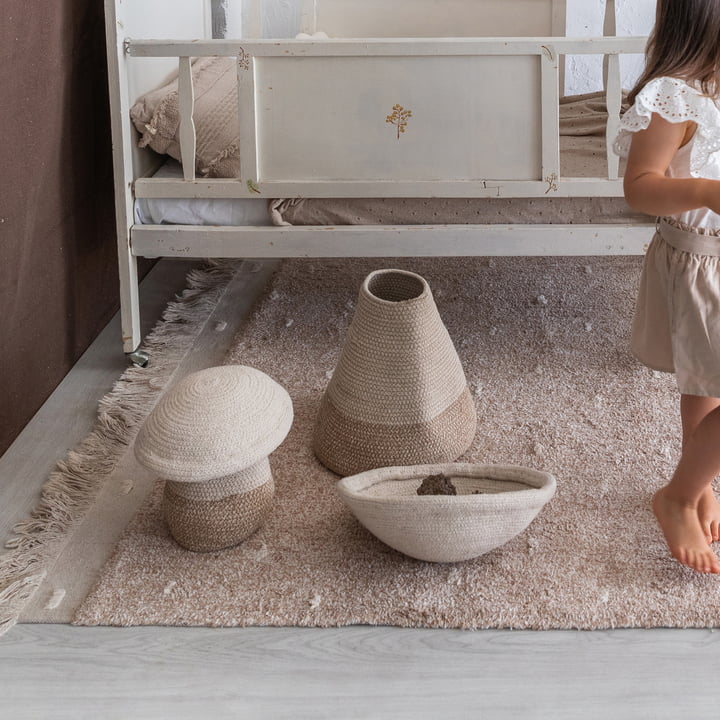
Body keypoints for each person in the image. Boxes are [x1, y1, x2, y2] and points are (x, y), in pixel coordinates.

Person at [614, 0, 720, 573]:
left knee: (707, 379)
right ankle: (678, 496)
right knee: (710, 374)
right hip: (702, 261)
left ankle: (698, 482)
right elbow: (640, 188)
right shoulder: (675, 96)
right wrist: (704, 191)